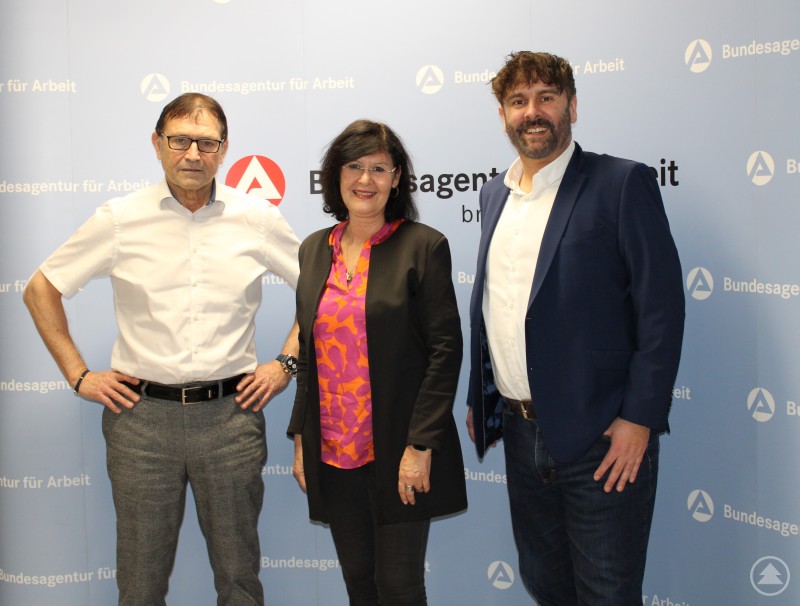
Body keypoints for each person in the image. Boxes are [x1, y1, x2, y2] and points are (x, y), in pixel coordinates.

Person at [23, 93, 301, 606]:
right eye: (180, 140)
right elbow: (41, 288)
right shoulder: (119, 218)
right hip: (140, 423)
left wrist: (287, 363)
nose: (193, 153)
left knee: (240, 580)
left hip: (231, 419)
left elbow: (322, 292)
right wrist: (79, 375)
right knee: (141, 582)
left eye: (207, 142)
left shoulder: (256, 218)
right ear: (157, 144)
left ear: (224, 149)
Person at [466, 52, 685, 606]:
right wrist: (485, 393)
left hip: (601, 437)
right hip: (520, 431)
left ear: (572, 106)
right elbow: (503, 304)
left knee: (607, 592)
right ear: (503, 115)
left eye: (546, 97)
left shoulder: (620, 183)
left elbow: (660, 310)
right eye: (518, 101)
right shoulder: (496, 193)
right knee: (547, 586)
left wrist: (639, 418)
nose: (532, 112)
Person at [288, 119, 467, 606]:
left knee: (400, 586)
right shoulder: (312, 250)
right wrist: (302, 440)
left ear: (397, 178)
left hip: (398, 448)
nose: (365, 180)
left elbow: (445, 351)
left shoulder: (423, 246)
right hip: (335, 451)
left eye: (378, 168)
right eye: (354, 166)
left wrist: (421, 445)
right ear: (335, 175)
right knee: (359, 584)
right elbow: (310, 351)